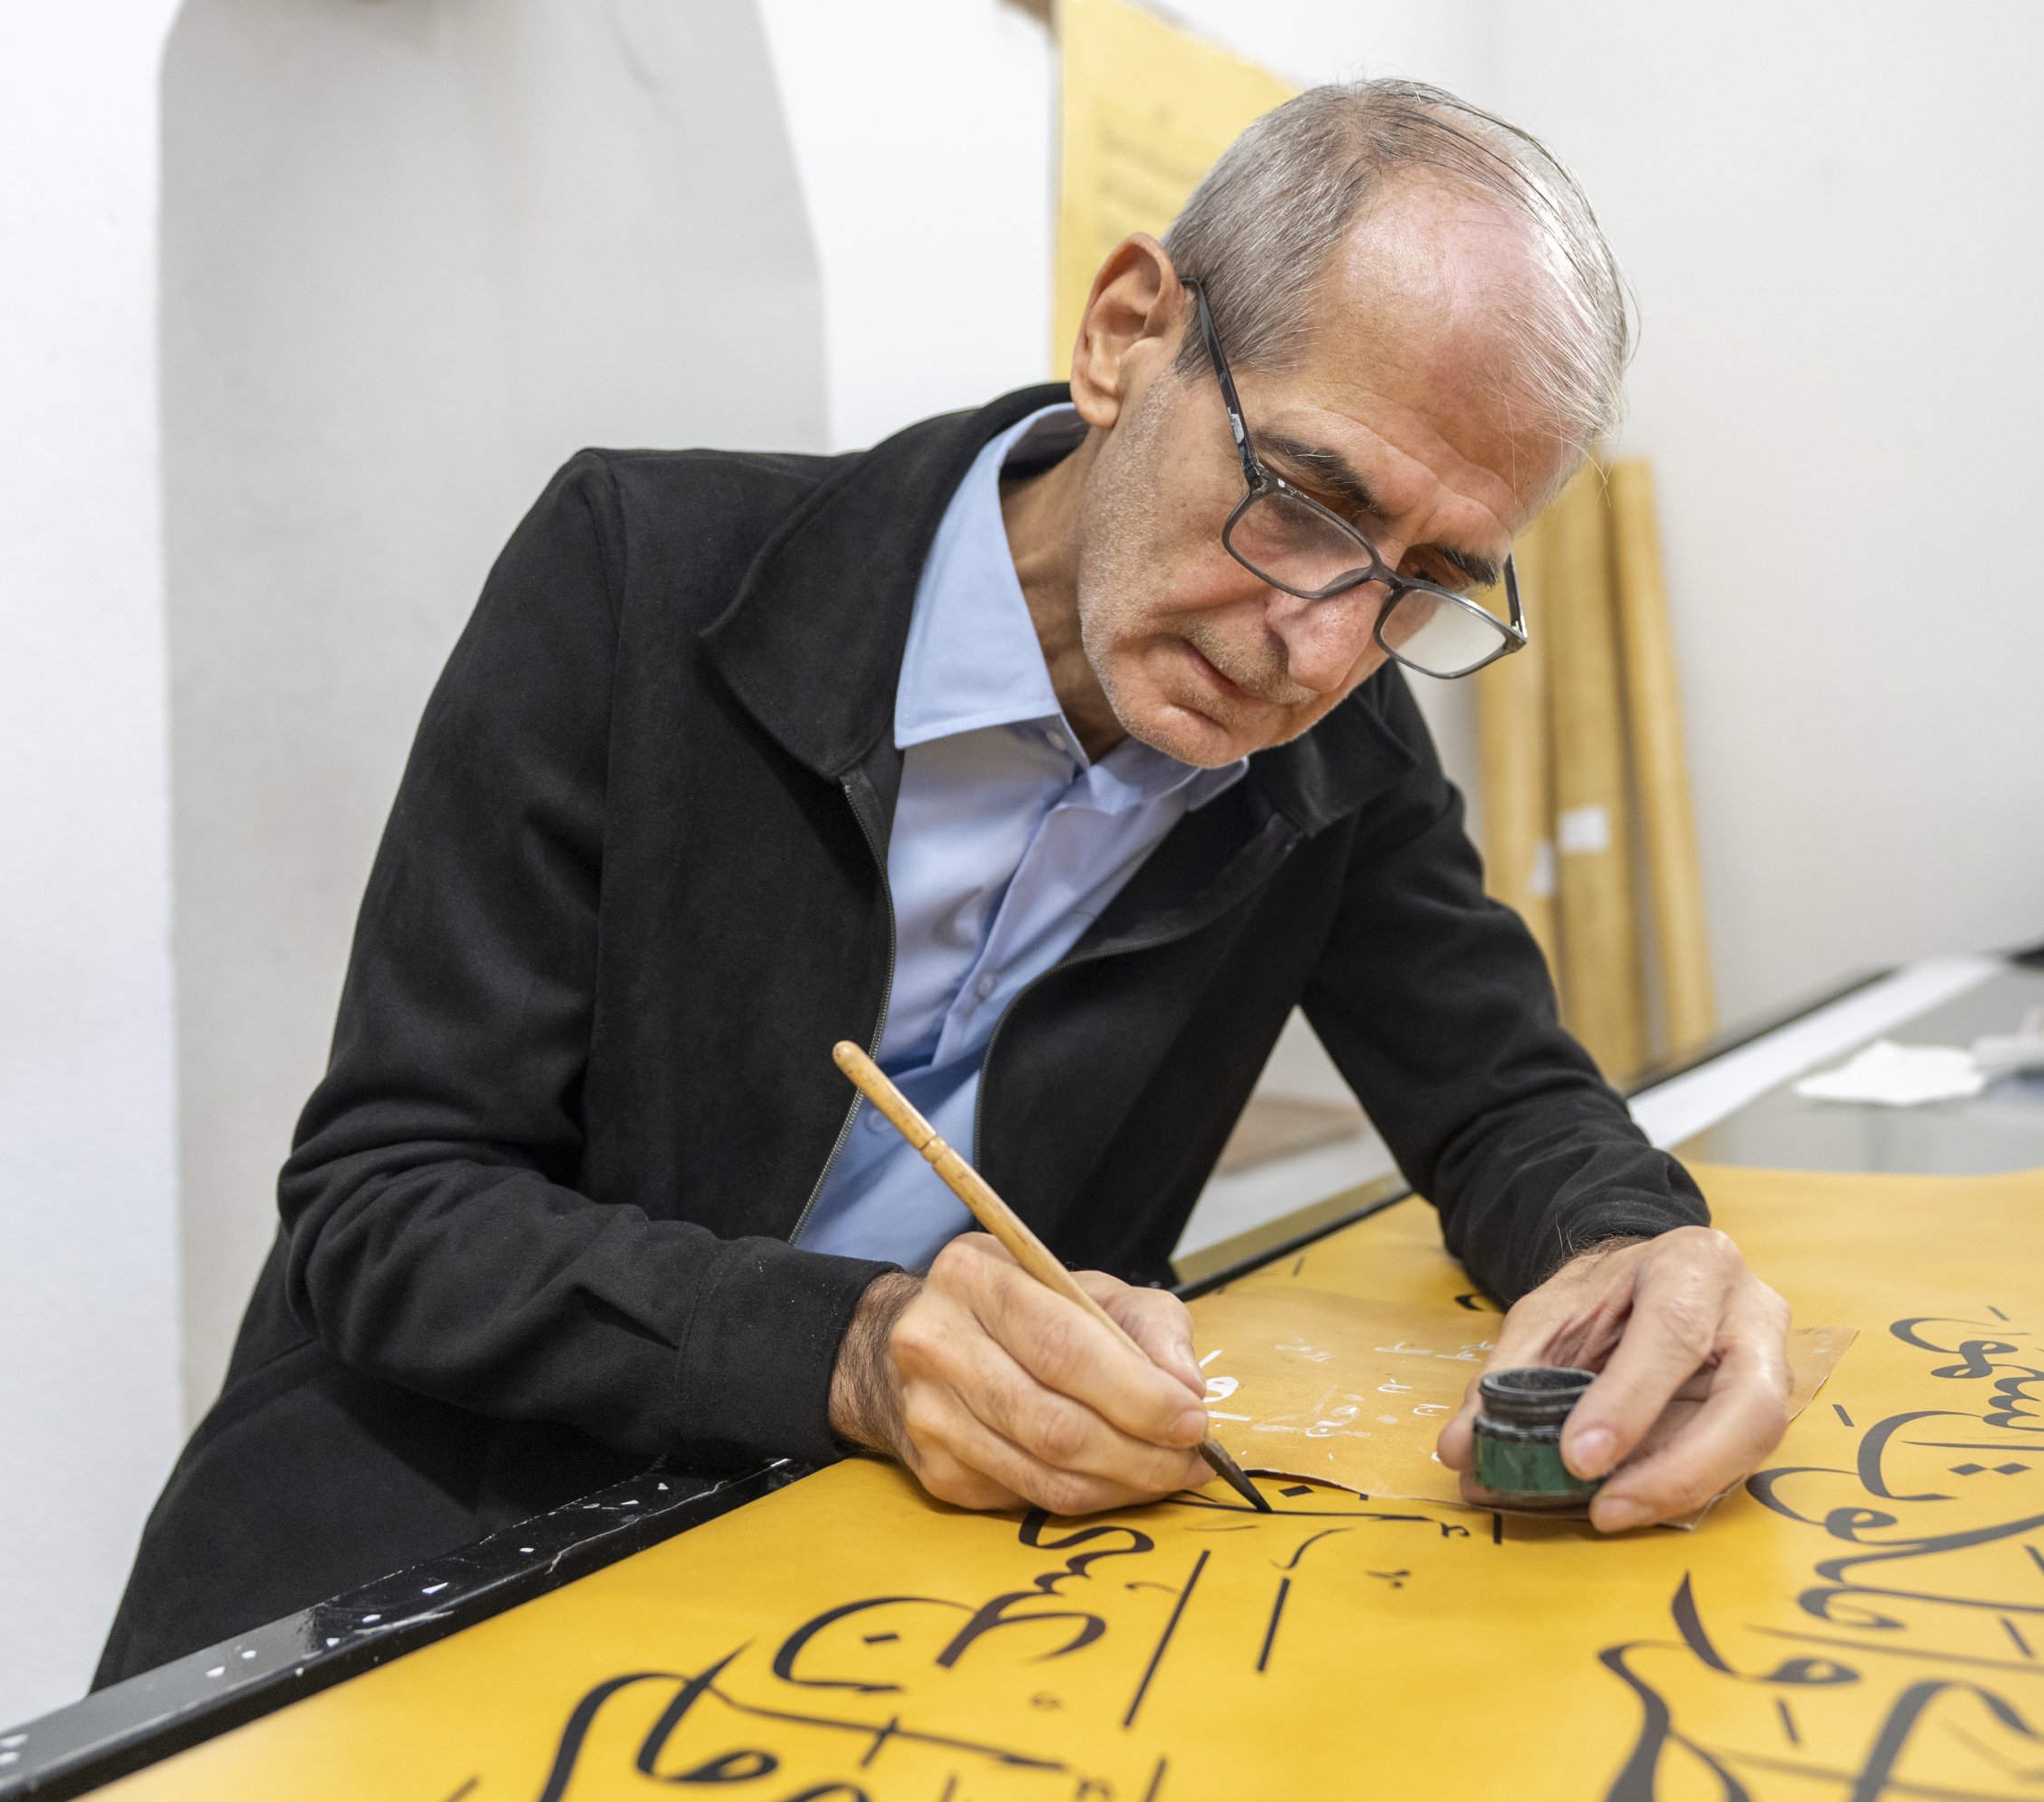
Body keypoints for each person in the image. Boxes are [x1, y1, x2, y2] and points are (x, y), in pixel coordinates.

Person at [96, 78, 1794, 1684]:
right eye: (1301, 501)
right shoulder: (638, 580)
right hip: (423, 1564)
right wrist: (845, 1348)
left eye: (1426, 585)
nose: (1321, 642)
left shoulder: (1336, 757)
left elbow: (1504, 1103)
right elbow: (388, 1208)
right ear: (1130, 332)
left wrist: (1637, 1248)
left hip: (881, 1608)